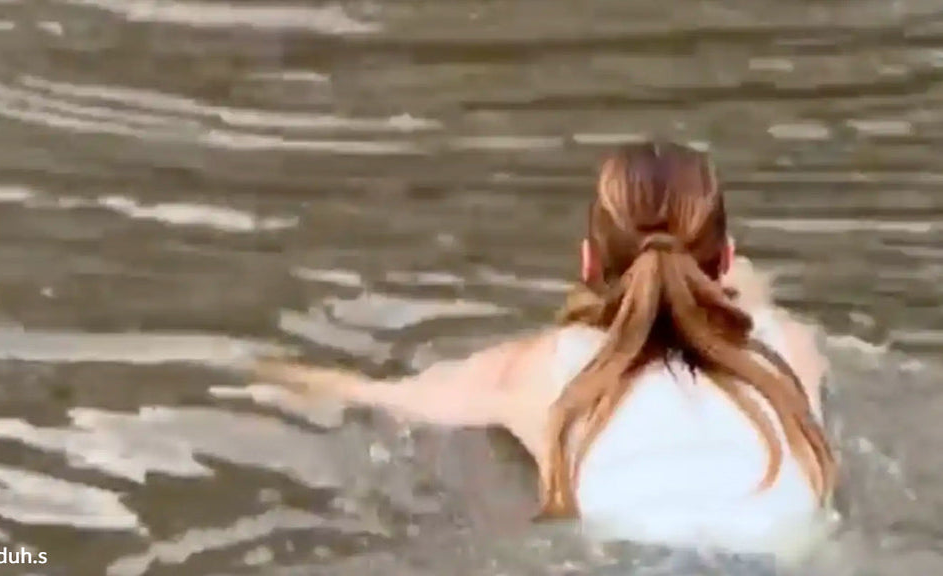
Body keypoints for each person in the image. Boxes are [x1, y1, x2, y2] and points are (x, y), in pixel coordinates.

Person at [253, 141, 838, 557]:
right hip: (784, 553)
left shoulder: (538, 369)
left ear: (588, 263)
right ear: (728, 262)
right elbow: (753, 307)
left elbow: (384, 398)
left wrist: (262, 372)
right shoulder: (787, 352)